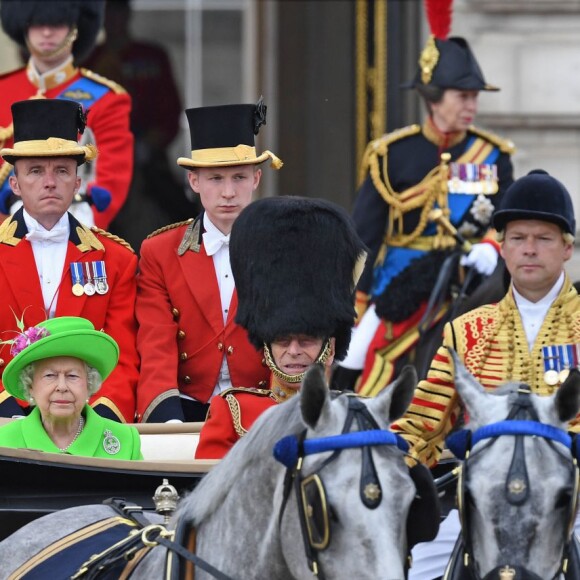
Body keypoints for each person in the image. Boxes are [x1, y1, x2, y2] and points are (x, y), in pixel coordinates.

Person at [392, 170, 580, 578]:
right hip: (481, 498)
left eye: (543, 238)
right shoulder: (467, 329)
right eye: (518, 238)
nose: (529, 250)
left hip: (573, 499)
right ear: (502, 247)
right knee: (417, 571)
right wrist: (387, 456)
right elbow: (426, 420)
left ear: (567, 248)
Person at [334, 33, 515, 394]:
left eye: (475, 97)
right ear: (434, 98)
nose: (472, 106)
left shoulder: (494, 155)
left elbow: (511, 221)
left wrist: (493, 247)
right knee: (352, 358)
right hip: (402, 283)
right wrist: (357, 302)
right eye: (463, 96)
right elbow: (363, 239)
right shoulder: (392, 154)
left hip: (475, 279)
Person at [135, 100, 283, 423]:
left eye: (239, 177)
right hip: (183, 411)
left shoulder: (283, 249)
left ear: (257, 179)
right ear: (194, 182)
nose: (228, 192)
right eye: (215, 178)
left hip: (262, 412)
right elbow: (156, 345)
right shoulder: (159, 252)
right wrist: (169, 424)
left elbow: (290, 344)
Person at [195, 196, 367, 459]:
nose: (294, 351)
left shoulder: (354, 412)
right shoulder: (233, 410)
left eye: (307, 340)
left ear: (330, 347)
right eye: (283, 341)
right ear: (266, 349)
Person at [0, 98, 139, 423]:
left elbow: (123, 355)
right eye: (36, 171)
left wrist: (99, 415)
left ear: (78, 182)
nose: (50, 181)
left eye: (62, 170)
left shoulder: (116, 260)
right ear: (15, 184)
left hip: (87, 421)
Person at [0, 0, 133, 229]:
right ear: (23, 25)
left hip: (73, 230)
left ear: (75, 27)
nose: (47, 32)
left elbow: (108, 185)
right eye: (36, 23)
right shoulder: (4, 89)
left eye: (58, 23)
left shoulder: (107, 99)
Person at [86, 0, 196, 251]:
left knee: (179, 215)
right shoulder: (89, 59)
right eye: (107, 13)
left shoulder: (152, 56)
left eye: (117, 11)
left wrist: (146, 146)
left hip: (146, 160)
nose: (112, 19)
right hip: (98, 161)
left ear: (127, 14)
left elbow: (170, 112)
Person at [0, 316, 142, 459]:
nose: (62, 387)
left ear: (89, 384)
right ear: (30, 385)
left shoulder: (126, 441)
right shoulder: (4, 441)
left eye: (72, 376)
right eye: (50, 375)